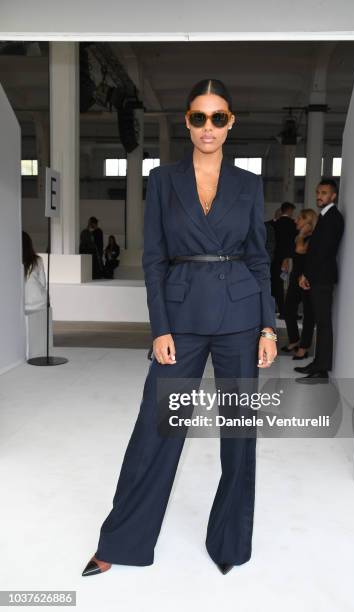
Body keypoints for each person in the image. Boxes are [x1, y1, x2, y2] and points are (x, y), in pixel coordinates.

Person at [82, 78, 278, 578]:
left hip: (239, 314)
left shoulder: (248, 184)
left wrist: (267, 327)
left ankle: (229, 542)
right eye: (198, 117)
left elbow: (259, 259)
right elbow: (153, 260)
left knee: (239, 434)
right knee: (156, 428)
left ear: (230, 122)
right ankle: (122, 539)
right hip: (182, 317)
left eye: (217, 117)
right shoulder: (164, 180)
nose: (207, 127)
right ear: (186, 122)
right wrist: (160, 329)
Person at [295, 179, 344, 384]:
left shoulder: (333, 217)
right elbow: (316, 250)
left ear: (333, 196)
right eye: (318, 192)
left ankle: (321, 369)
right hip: (320, 276)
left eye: (324, 193)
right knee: (320, 322)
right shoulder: (326, 217)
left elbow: (323, 252)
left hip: (322, 277)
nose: (319, 196)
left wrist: (308, 275)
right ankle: (317, 364)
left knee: (323, 324)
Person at [281, 209, 317, 359]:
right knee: (288, 308)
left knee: (308, 314)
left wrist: (302, 235)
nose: (296, 221)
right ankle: (295, 340)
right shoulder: (298, 237)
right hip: (296, 277)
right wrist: (285, 259)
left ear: (308, 222)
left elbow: (300, 250)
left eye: (299, 219)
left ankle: (304, 347)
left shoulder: (313, 238)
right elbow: (292, 252)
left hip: (308, 278)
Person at [270, 202, 297, 318]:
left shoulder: (274, 224)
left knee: (276, 284)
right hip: (289, 258)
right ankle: (286, 311)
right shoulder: (293, 224)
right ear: (290, 211)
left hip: (274, 257)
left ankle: (278, 310)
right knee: (288, 284)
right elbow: (292, 242)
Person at [22, 231, 47, 313]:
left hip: (22, 303)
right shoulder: (38, 260)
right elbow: (43, 283)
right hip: (40, 302)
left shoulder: (11, 261)